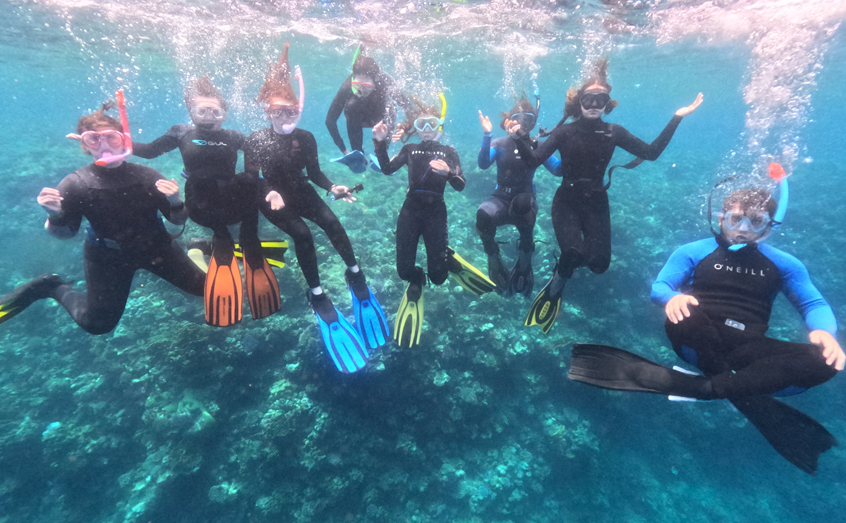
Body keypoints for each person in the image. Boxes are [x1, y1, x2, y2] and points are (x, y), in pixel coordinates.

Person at [568, 181, 844, 475]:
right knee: (690, 311)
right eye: (736, 219)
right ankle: (729, 384)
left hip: (748, 349)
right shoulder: (694, 250)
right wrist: (672, 297)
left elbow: (813, 304)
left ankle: (705, 388)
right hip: (695, 337)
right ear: (721, 218)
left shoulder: (784, 264)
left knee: (827, 360)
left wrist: (824, 331)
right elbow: (660, 286)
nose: (744, 228)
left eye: (756, 221)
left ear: (768, 226)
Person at [508, 59, 703, 334]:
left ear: (607, 103)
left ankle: (566, 265)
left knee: (599, 265)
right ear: (579, 102)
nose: (595, 104)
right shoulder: (564, 132)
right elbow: (532, 162)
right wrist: (518, 139)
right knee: (573, 252)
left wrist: (677, 117)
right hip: (567, 201)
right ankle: (557, 284)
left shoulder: (614, 132)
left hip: (597, 202)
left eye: (601, 99)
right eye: (589, 99)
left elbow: (651, 152)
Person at [0, 102, 206, 334]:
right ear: (85, 145)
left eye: (111, 138)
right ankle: (52, 287)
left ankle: (196, 248)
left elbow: (177, 221)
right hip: (108, 257)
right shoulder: (76, 184)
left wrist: (175, 201)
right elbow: (66, 233)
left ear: (124, 140)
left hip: (157, 248)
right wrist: (55, 215)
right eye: (93, 140)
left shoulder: (148, 176)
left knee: (206, 289)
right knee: (97, 324)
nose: (104, 145)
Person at [244, 43, 389, 374]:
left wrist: (332, 187)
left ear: (298, 109)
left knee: (334, 225)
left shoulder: (306, 138)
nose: (286, 117)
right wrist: (269, 193)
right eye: (278, 112)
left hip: (302, 191)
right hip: (272, 201)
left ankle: (355, 276)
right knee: (303, 235)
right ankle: (318, 294)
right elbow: (253, 178)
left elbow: (315, 175)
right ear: (268, 112)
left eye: (291, 111)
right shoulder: (256, 140)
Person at [132, 75, 280, 327]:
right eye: (202, 110)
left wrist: (271, 186)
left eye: (215, 111)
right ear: (191, 112)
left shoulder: (233, 135)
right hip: (202, 205)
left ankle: (249, 239)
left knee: (247, 177)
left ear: (224, 114)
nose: (209, 116)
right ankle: (220, 238)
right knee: (203, 181)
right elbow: (148, 151)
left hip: (236, 203)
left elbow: (259, 153)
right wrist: (117, 141)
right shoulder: (181, 132)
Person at [373, 94, 495, 349]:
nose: (426, 130)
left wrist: (448, 173)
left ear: (439, 124)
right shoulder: (409, 149)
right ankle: (418, 278)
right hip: (410, 211)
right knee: (404, 271)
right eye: (420, 125)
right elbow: (386, 169)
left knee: (439, 278)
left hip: (435, 213)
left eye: (431, 124)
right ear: (415, 127)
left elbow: (460, 186)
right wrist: (379, 142)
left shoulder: (448, 151)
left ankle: (446, 259)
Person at [477, 93, 561, 298]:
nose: (522, 123)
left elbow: (558, 170)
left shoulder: (538, 145)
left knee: (523, 203)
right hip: (500, 198)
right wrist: (487, 136)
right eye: (518, 118)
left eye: (529, 119)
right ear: (509, 120)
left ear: (533, 123)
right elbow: (483, 164)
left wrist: (570, 150)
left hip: (525, 202)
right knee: (482, 214)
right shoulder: (499, 142)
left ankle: (524, 260)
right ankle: (494, 258)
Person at [326, 44, 411, 173]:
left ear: (375, 80)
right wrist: (344, 150)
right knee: (351, 105)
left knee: (391, 108)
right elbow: (330, 120)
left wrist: (406, 128)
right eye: (357, 84)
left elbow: (408, 108)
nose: (361, 89)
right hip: (358, 117)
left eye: (366, 85)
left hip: (380, 118)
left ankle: (379, 154)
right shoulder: (348, 86)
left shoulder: (384, 82)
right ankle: (357, 153)